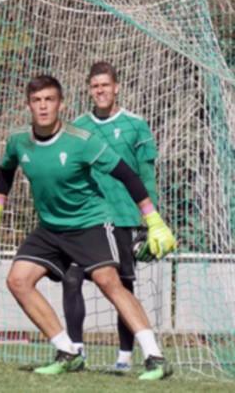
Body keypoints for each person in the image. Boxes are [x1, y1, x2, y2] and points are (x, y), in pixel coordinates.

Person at [0, 75, 176, 381]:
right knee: (18, 280)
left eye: (49, 99)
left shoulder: (82, 140)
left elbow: (126, 174)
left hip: (90, 223)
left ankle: (155, 357)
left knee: (109, 282)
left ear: (61, 104)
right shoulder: (18, 141)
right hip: (50, 228)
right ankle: (67, 352)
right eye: (37, 100)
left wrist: (153, 220)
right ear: (28, 105)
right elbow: (4, 174)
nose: (43, 106)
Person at [62, 62, 160, 371]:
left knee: (123, 286)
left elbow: (146, 175)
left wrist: (151, 221)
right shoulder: (77, 127)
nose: (100, 91)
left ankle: (124, 357)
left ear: (116, 87)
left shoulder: (136, 125)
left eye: (105, 85)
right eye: (95, 86)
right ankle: (76, 351)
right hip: (87, 220)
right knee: (71, 278)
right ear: (89, 90)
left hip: (124, 218)